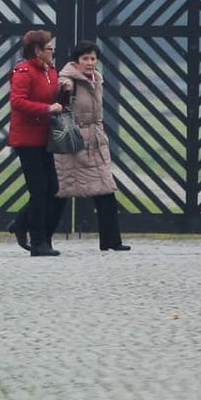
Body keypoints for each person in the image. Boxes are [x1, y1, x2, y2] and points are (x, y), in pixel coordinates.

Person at [54, 40, 130, 251]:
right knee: (61, 190)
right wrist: (64, 89)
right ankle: (26, 226)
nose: (89, 62)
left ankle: (112, 241)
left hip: (95, 142)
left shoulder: (96, 78)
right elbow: (59, 101)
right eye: (85, 58)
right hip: (74, 142)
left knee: (105, 191)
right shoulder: (68, 79)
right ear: (76, 61)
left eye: (93, 58)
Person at [6, 29, 66, 257]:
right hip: (27, 139)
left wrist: (63, 94)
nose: (53, 51)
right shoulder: (24, 71)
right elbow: (17, 101)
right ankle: (39, 242)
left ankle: (21, 223)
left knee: (53, 188)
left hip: (45, 137)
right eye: (49, 48)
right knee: (39, 190)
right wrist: (45, 109)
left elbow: (51, 98)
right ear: (38, 51)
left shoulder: (50, 70)